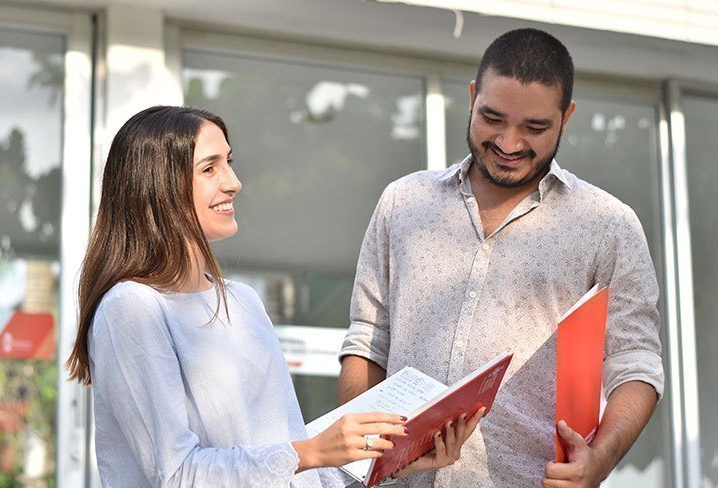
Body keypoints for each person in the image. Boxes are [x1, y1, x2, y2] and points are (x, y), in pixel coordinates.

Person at [64, 106, 485, 487]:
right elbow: (176, 474)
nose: (234, 182)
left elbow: (293, 469)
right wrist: (312, 450)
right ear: (157, 186)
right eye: (209, 168)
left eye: (228, 162)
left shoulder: (242, 302)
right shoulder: (131, 308)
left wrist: (393, 458)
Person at [337, 28, 663, 488]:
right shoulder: (403, 202)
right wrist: (361, 464)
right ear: (472, 97)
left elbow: (635, 363)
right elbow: (369, 341)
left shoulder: (608, 224)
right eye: (492, 118)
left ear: (566, 118)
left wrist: (600, 460)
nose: (509, 144)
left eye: (535, 128)